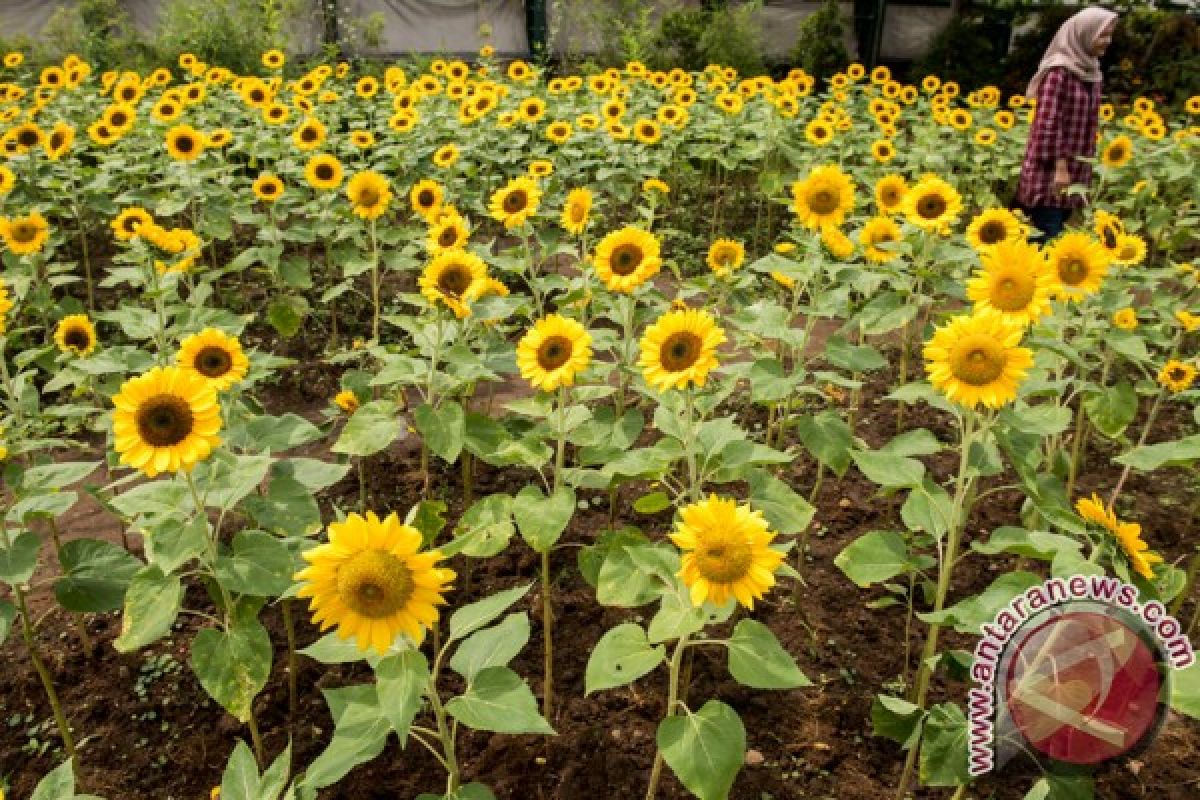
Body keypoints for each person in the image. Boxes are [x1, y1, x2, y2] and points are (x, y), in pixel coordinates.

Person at [1015, 7, 1117, 243]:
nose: (1107, 41)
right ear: (1084, 33)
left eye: (1110, 34)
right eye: (1103, 34)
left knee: (1056, 232)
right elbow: (1047, 123)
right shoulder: (1059, 72)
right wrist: (1061, 167)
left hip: (1075, 171)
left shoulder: (1091, 71)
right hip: (1051, 172)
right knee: (1047, 237)